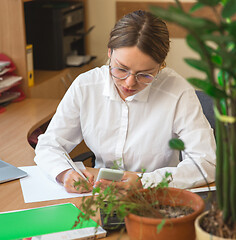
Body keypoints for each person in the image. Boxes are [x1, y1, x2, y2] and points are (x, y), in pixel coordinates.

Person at [34, 10, 216, 193]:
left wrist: (144, 181)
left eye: (145, 74)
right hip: (98, 193)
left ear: (161, 66)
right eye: (121, 69)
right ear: (109, 53)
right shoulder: (86, 86)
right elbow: (49, 145)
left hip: (155, 196)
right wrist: (64, 173)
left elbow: (206, 163)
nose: (129, 83)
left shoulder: (178, 92)